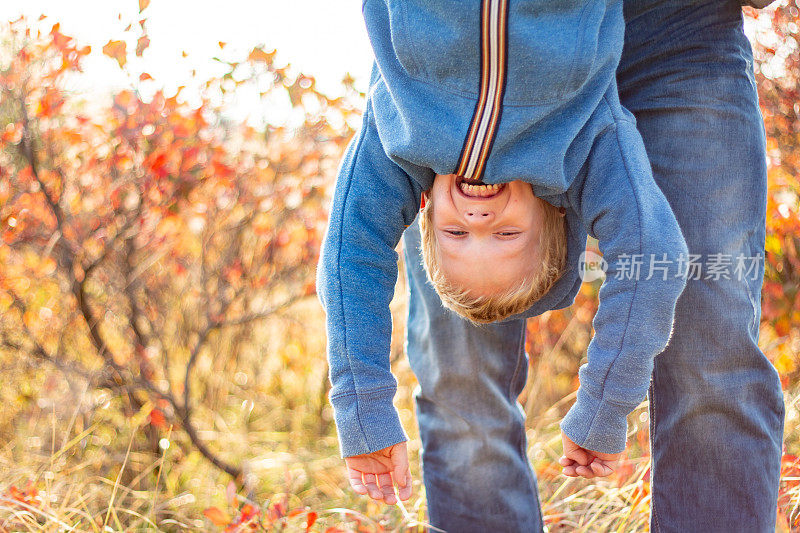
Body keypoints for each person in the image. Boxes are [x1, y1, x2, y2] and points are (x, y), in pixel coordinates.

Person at [400, 0, 785, 531]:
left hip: (673, 31)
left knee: (708, 347)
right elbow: (351, 247)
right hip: (467, 46)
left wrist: (603, 404)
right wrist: (362, 413)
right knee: (462, 362)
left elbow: (659, 256)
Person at [316, 0, 692, 513]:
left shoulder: (401, 142)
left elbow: (349, 259)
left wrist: (364, 411)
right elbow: (655, 257)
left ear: (424, 215)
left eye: (454, 234)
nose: (477, 224)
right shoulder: (581, 147)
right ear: (553, 213)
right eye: (508, 236)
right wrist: (604, 406)